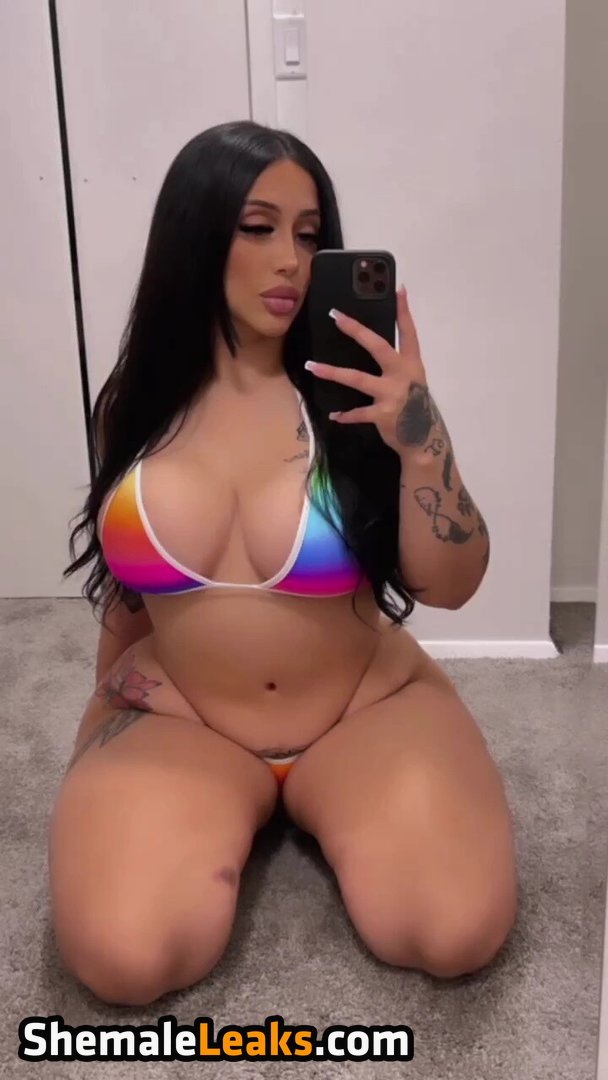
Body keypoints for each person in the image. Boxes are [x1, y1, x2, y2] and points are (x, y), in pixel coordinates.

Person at [51, 120, 517, 1007]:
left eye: (309, 234)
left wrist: (422, 441)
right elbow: (132, 585)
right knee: (124, 957)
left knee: (454, 929)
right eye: (258, 228)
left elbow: (452, 587)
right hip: (187, 719)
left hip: (362, 710)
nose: (291, 261)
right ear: (196, 233)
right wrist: (104, 708)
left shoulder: (358, 402)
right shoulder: (135, 404)